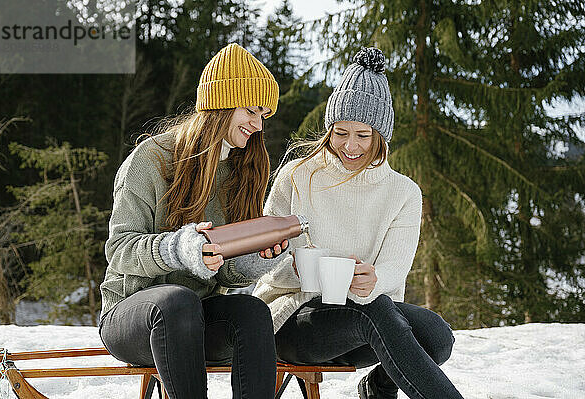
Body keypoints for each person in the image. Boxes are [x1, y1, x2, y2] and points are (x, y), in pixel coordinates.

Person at [253, 47, 464, 399]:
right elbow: (265, 266)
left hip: (370, 322)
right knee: (376, 311)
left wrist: (373, 279)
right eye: (340, 133)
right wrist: (311, 272)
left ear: (380, 135)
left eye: (363, 135)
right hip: (295, 321)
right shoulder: (297, 176)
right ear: (328, 130)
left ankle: (378, 387)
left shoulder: (403, 193)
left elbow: (395, 270)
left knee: (437, 335)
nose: (350, 146)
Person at [99, 43, 289, 399]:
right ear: (219, 105)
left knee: (251, 311)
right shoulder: (152, 160)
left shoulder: (239, 171)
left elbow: (226, 272)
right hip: (133, 316)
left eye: (263, 115)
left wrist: (252, 259)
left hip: (197, 318)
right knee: (177, 302)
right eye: (250, 110)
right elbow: (120, 250)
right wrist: (179, 249)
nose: (257, 124)